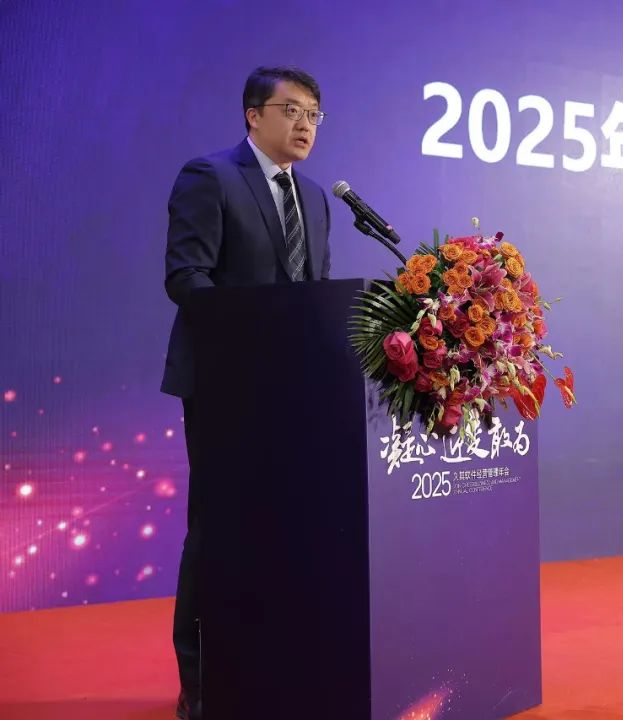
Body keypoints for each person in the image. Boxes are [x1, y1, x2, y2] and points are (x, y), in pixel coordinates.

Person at [161, 66, 331, 720]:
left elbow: (316, 292)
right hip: (225, 385)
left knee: (286, 528)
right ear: (253, 115)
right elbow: (187, 277)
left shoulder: (315, 198)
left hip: (293, 392)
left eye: (314, 114)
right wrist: (254, 331)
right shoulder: (210, 177)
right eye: (292, 110)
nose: (305, 124)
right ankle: (201, 684)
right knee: (217, 529)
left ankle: (274, 666)